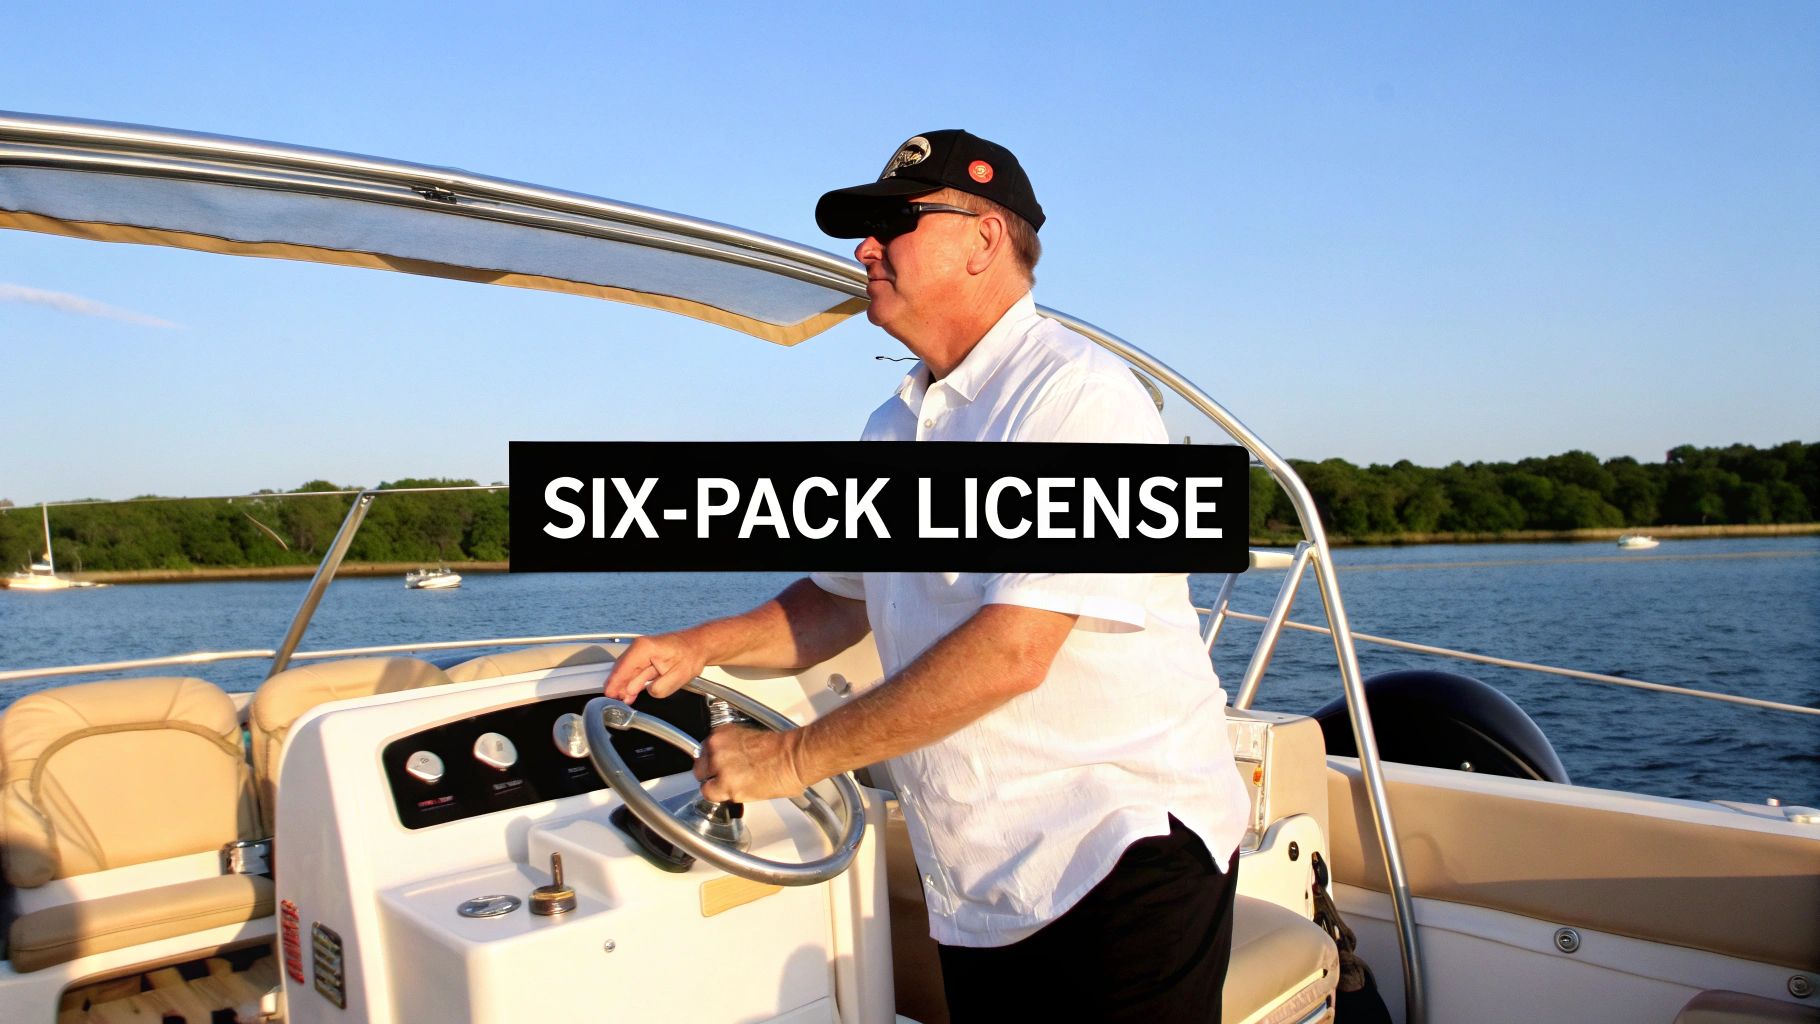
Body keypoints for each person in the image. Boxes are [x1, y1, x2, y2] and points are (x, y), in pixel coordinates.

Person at [604, 130, 1251, 1022]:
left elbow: (1014, 649)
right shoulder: (894, 425)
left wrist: (790, 756)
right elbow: (840, 599)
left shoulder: (1077, 398)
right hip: (985, 879)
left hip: (1117, 857)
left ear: (986, 238)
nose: (865, 248)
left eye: (893, 223)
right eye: (863, 230)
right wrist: (698, 646)